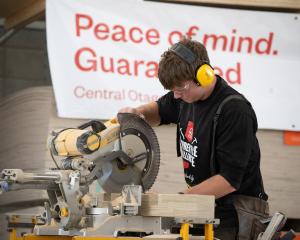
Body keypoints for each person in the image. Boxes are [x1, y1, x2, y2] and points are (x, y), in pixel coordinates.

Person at [119, 38, 268, 240]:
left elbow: (229, 180)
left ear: (204, 76)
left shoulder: (235, 111)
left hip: (236, 214)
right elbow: (160, 110)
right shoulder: (186, 97)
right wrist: (137, 113)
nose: (177, 96)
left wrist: (175, 202)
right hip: (202, 204)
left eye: (180, 89)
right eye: (173, 91)